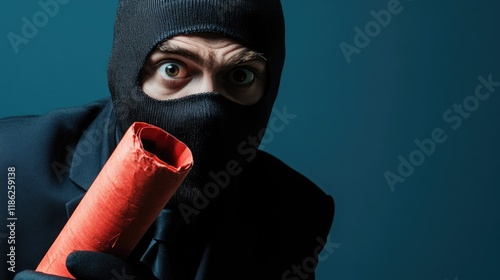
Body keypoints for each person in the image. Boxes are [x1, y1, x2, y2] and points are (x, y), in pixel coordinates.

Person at [1, 0, 335, 279]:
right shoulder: (10, 167)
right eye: (173, 69)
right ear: (125, 73)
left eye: (240, 75)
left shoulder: (294, 214)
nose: (207, 111)